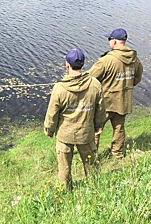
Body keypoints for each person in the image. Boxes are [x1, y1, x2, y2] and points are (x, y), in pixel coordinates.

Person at [44, 48, 106, 189]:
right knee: (91, 165)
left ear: (67, 65)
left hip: (65, 135)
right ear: (83, 64)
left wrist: (49, 130)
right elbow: (101, 109)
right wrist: (98, 125)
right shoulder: (95, 84)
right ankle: (95, 188)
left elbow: (51, 114)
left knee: (64, 168)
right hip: (86, 133)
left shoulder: (59, 88)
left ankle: (66, 191)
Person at [90, 28, 143, 159]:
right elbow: (137, 78)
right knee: (119, 128)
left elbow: (90, 79)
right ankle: (117, 153)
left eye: (109, 39)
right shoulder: (134, 59)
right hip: (123, 100)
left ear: (114, 42)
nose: (109, 42)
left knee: (96, 129)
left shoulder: (106, 60)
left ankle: (92, 156)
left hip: (106, 102)